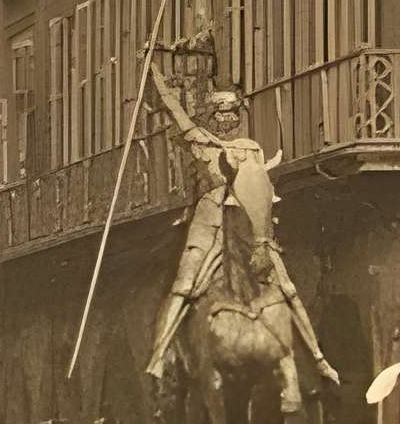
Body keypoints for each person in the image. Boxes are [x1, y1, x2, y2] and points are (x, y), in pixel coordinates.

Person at [136, 57, 336, 394]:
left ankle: (318, 356)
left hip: (245, 217)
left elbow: (258, 188)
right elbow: (175, 112)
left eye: (231, 115)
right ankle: (157, 357)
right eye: (220, 115)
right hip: (209, 216)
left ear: (238, 117)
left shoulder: (251, 148)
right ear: (212, 118)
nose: (227, 121)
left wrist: (264, 232)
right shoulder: (198, 139)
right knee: (186, 282)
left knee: (285, 284)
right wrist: (155, 78)